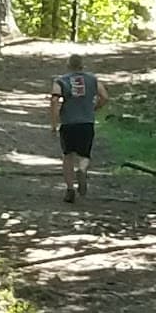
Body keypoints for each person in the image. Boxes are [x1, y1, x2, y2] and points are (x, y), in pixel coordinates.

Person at [50, 53, 109, 203]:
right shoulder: (93, 80)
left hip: (68, 123)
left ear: (68, 65)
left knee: (68, 155)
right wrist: (94, 108)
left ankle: (70, 189)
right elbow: (104, 96)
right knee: (84, 154)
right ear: (82, 65)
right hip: (86, 122)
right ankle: (82, 169)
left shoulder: (60, 81)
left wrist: (54, 124)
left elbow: (54, 100)